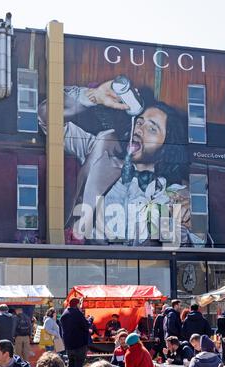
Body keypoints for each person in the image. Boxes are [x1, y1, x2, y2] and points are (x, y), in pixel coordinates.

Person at [38, 78, 192, 246]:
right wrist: (94, 97)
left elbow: (182, 249)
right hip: (81, 264)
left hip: (142, 270)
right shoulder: (101, 147)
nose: (139, 129)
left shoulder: (172, 194)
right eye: (139, 122)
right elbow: (46, 115)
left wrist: (183, 224)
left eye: (152, 129)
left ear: (167, 147)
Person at [59, 298, 89, 367]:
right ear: (77, 304)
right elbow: (86, 326)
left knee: (70, 365)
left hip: (69, 345)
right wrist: (90, 319)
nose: (80, 306)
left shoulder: (64, 314)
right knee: (78, 366)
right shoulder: (77, 313)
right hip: (79, 344)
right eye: (79, 304)